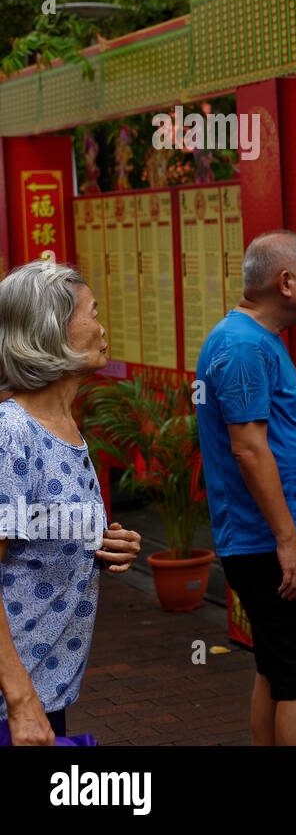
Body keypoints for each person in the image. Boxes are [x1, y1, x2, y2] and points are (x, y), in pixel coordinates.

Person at [195, 230, 296, 746]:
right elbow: (249, 449)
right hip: (269, 542)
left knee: (276, 668)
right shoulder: (241, 346)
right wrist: (288, 540)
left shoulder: (255, 340)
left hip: (276, 538)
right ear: (286, 281)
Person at [0, 260, 142, 746]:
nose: (103, 327)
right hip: (13, 702)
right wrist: (20, 703)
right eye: (93, 312)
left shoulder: (65, 427)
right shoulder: (11, 433)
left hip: (46, 692)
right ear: (51, 331)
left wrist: (102, 546)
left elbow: (29, 534)